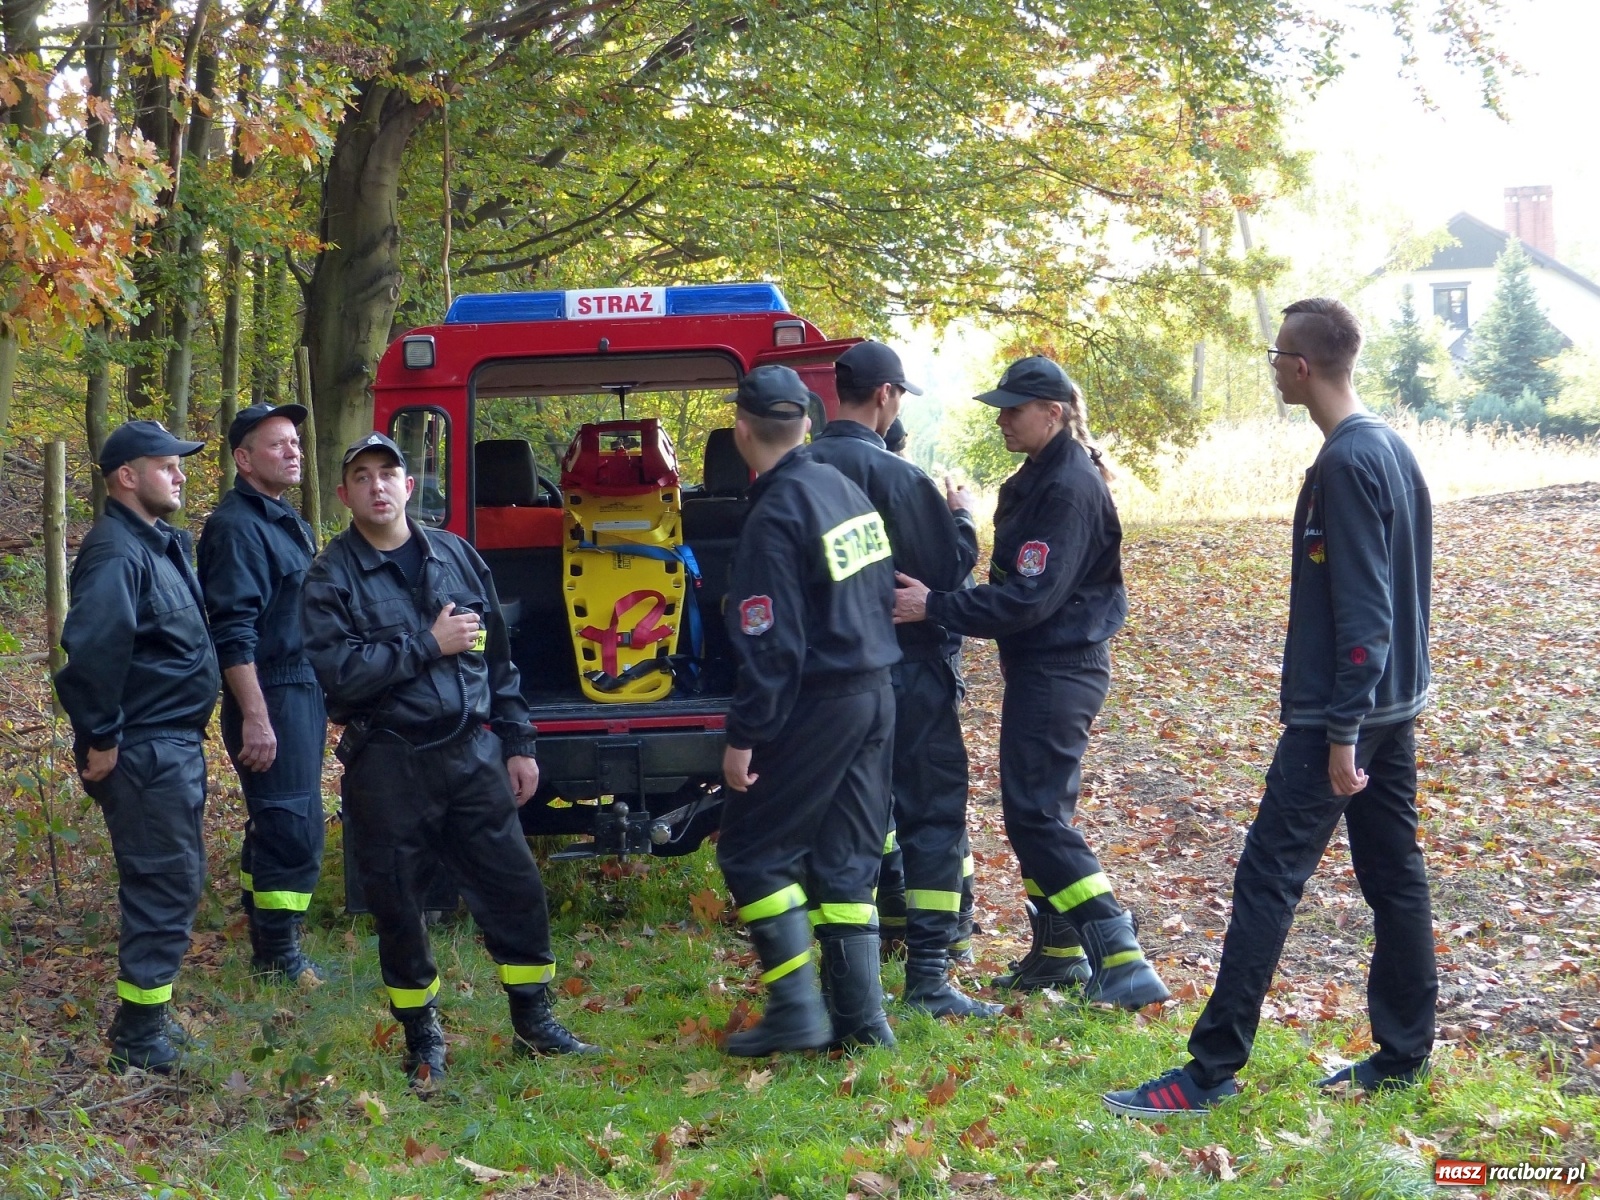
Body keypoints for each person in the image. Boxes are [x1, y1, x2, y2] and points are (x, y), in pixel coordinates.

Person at [1104, 298, 1435, 1115]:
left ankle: (1209, 1072)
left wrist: (1342, 733)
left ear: (1301, 367)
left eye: (1275, 352)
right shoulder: (1390, 446)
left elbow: (1367, 611)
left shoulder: (1348, 463)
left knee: (1266, 880)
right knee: (1395, 877)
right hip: (1395, 708)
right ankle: (1403, 1057)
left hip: (1347, 716)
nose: (1272, 364)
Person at [301, 433, 597, 1087]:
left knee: (515, 889)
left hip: (472, 754)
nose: (377, 486)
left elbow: (497, 661)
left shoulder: (459, 557)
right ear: (346, 493)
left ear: (410, 486)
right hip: (388, 762)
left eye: (388, 473)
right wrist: (426, 645)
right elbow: (341, 677)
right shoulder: (329, 576)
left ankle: (535, 1020)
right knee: (398, 906)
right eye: (362, 476)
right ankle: (422, 1036)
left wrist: (518, 742)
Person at [894, 356, 1168, 1010]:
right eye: (1001, 406)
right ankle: (1057, 953)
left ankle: (1121, 956)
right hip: (1046, 665)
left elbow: (1027, 599)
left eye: (1015, 408)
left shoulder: (1069, 486)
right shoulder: (1042, 476)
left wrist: (935, 605)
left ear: (1054, 411)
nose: (1002, 418)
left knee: (1035, 817)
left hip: (1060, 666)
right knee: (1042, 809)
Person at [715, 364, 901, 1055]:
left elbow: (772, 649)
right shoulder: (844, 489)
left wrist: (745, 738)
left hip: (821, 701)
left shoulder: (775, 513)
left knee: (753, 852)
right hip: (877, 691)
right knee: (847, 861)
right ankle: (861, 1022)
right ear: (808, 423)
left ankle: (795, 1010)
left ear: (741, 429)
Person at [807, 340, 994, 1020]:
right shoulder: (898, 477)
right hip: (908, 672)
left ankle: (845, 988)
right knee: (932, 817)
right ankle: (930, 978)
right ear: (886, 395)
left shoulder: (800, 473)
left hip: (826, 684)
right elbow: (944, 578)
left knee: (844, 827)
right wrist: (965, 519)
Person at [56, 420, 217, 1074]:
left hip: (170, 746)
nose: (180, 473)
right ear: (127, 476)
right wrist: (100, 737)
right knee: (163, 884)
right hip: (144, 750)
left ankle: (147, 1019)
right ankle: (138, 1035)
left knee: (175, 882)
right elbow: (92, 649)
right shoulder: (117, 552)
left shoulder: (156, 545)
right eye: (166, 464)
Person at [198, 402, 328, 988]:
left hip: (299, 684)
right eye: (278, 445)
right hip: (271, 690)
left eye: (295, 442)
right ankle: (279, 958)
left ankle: (264, 936)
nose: (293, 451)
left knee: (281, 819)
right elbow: (233, 630)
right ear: (244, 460)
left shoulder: (282, 519)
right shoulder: (237, 528)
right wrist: (256, 715)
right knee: (290, 825)